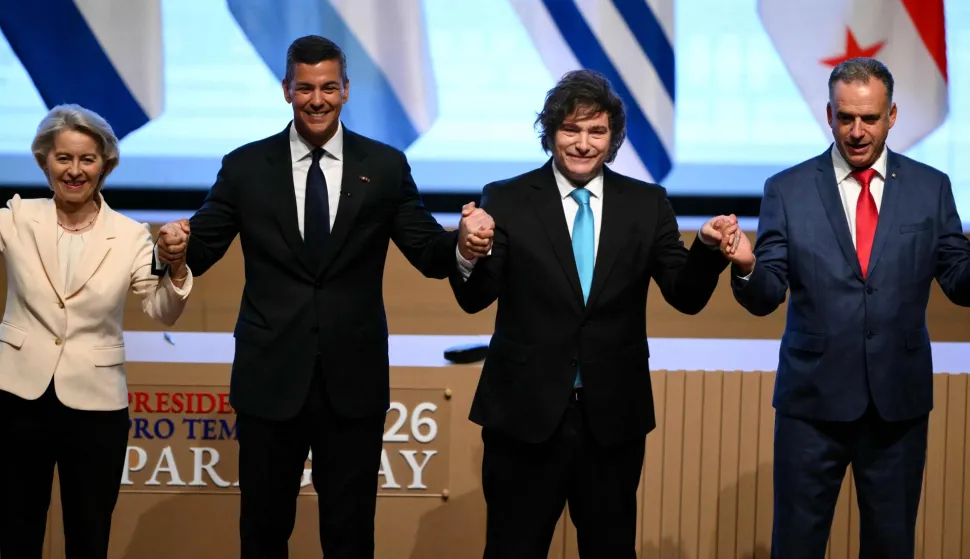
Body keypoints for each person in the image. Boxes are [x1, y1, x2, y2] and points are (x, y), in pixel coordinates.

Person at [154, 35, 492, 558]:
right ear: (286, 90)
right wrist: (176, 248)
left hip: (352, 382)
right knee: (263, 533)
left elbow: (428, 251)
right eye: (306, 88)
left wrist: (464, 244)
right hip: (269, 379)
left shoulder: (384, 166)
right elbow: (202, 248)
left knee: (350, 535)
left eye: (329, 87)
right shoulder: (246, 166)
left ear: (346, 90)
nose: (318, 100)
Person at [449, 69, 737, 558]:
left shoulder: (646, 204)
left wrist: (707, 250)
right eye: (571, 129)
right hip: (523, 416)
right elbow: (474, 298)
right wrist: (466, 251)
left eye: (596, 131)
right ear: (550, 133)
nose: (583, 144)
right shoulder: (507, 198)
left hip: (613, 419)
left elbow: (684, 296)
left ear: (613, 137)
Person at [720, 57, 970, 558]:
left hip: (897, 406)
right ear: (829, 114)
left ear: (892, 115)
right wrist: (747, 265)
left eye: (870, 118)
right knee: (796, 547)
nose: (857, 132)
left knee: (891, 547)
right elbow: (766, 295)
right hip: (811, 407)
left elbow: (959, 282)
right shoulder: (786, 190)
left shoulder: (932, 187)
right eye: (846, 117)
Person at [0, 104, 193, 558]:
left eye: (87, 159)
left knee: (88, 537)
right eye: (63, 158)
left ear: (105, 165)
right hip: (17, 397)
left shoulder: (130, 236)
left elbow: (162, 310)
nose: (74, 170)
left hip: (96, 406)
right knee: (14, 533)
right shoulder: (17, 217)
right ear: (44, 161)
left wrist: (176, 266)